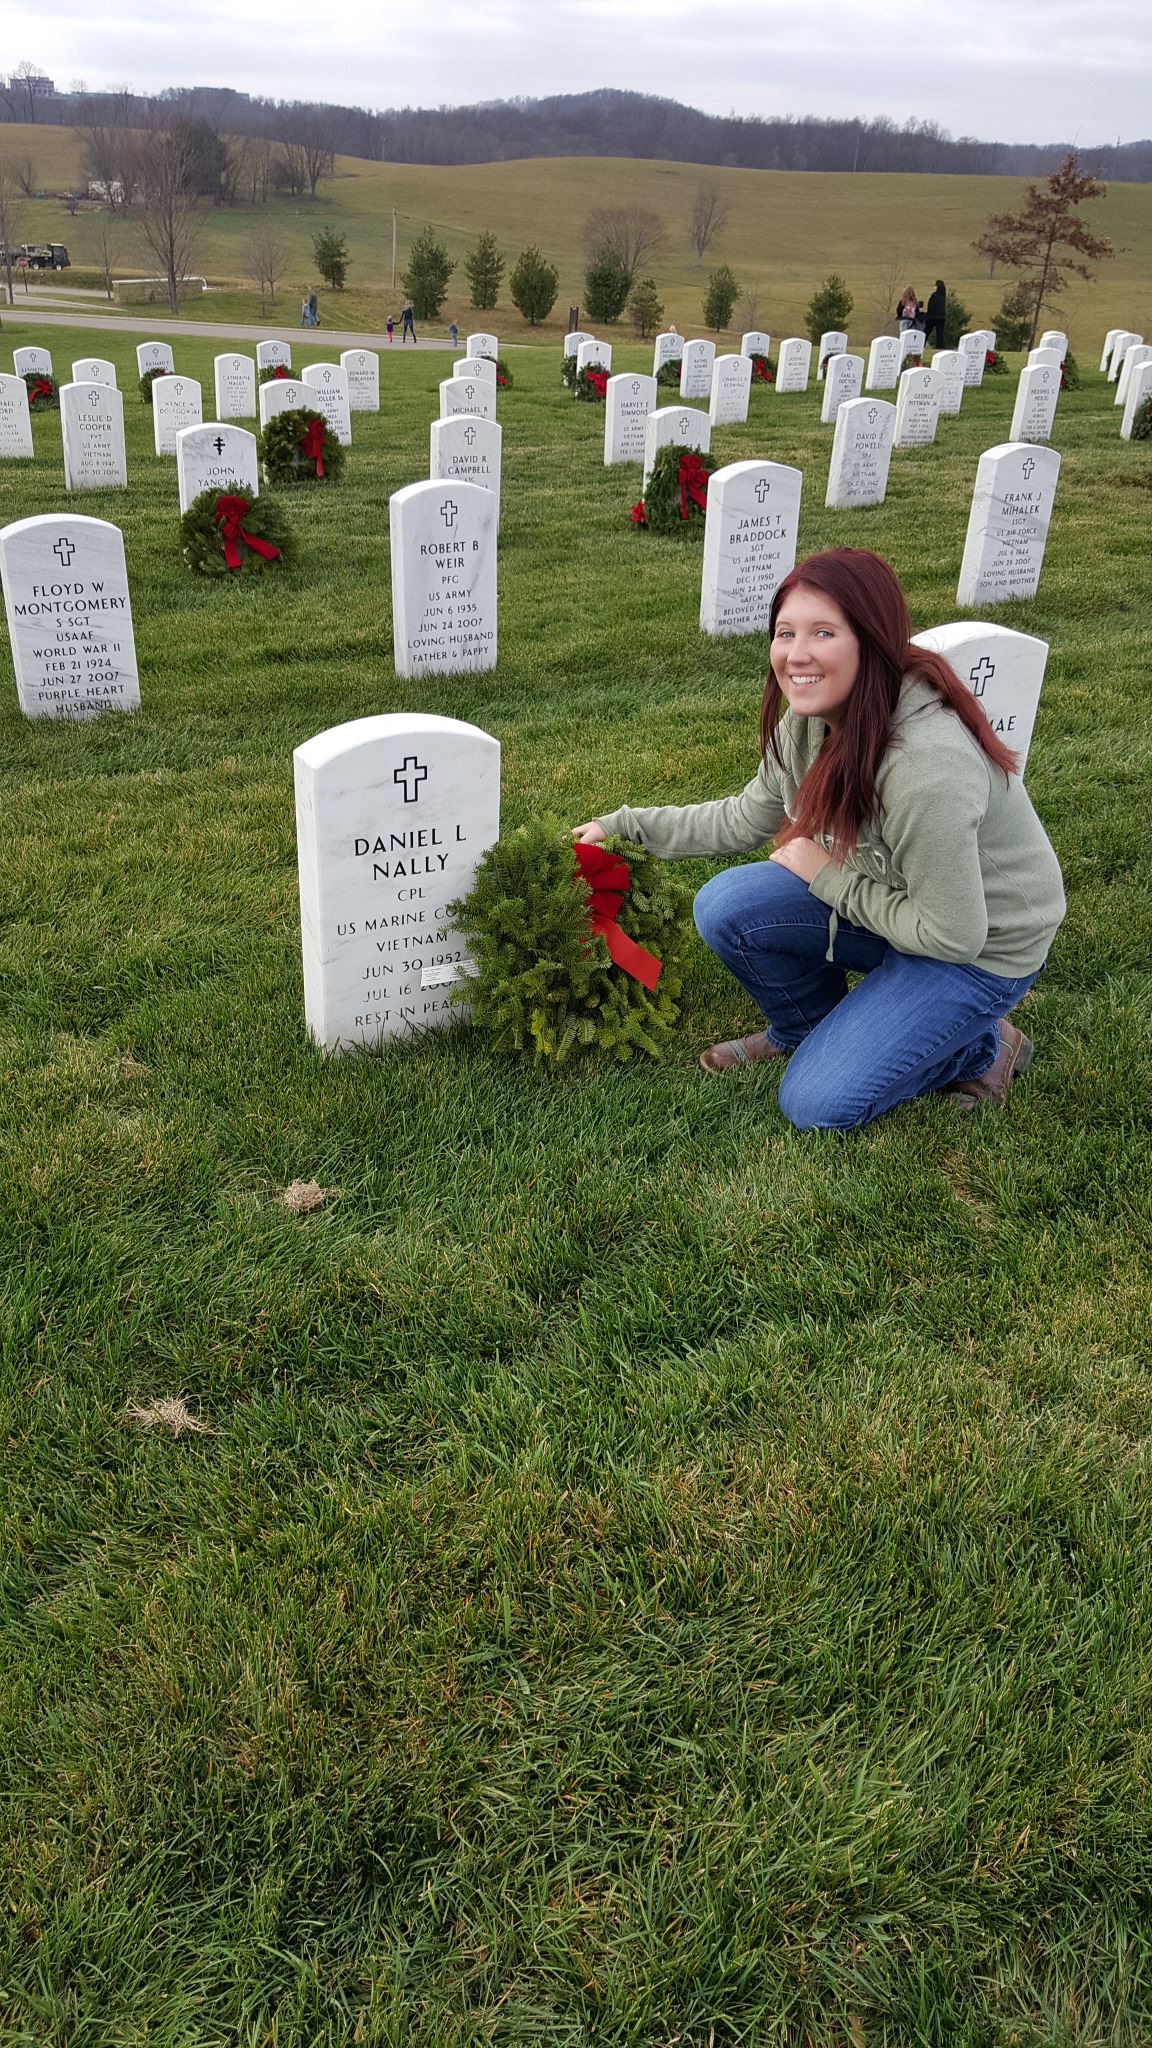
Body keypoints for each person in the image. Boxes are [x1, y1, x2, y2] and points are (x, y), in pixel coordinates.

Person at [573, 549, 1065, 1132]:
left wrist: (828, 877)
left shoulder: (926, 769)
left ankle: (981, 1048)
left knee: (815, 1103)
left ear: (871, 640)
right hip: (895, 897)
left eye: (823, 632)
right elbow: (740, 817)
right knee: (726, 906)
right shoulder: (808, 720)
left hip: (978, 948)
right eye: (785, 633)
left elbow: (954, 935)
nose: (796, 654)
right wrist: (622, 827)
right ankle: (806, 1027)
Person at [924, 279, 947, 349]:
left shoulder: (934, 296)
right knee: (940, 334)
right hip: (941, 317)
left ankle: (921, 343)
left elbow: (931, 306)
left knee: (926, 331)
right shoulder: (943, 295)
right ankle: (940, 347)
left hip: (933, 317)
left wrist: (927, 315)